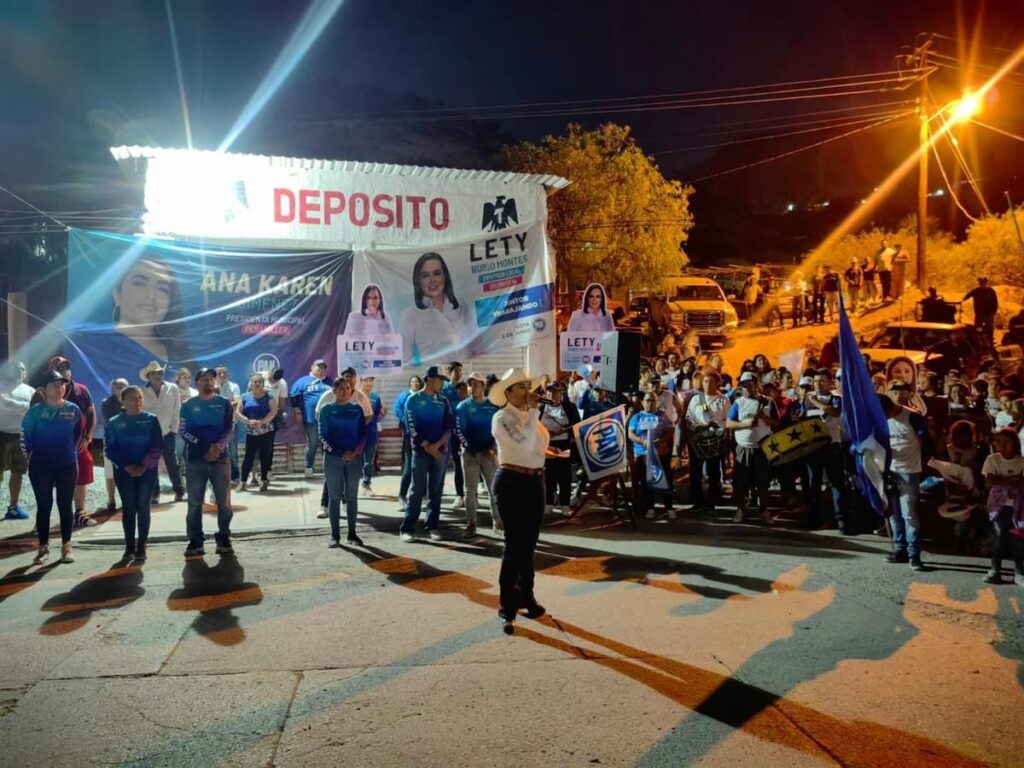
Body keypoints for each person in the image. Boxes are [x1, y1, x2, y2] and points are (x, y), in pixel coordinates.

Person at [489, 367, 550, 634]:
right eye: (521, 387)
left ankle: (527, 596)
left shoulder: (529, 416)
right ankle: (508, 606)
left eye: (528, 386)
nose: (528, 392)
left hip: (534, 480)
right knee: (515, 545)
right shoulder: (501, 417)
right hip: (512, 482)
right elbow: (523, 442)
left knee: (529, 544)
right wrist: (534, 413)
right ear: (508, 392)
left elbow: (538, 445)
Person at [21, 370, 84, 565]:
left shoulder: (73, 410)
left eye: (63, 385)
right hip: (41, 466)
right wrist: (32, 456)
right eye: (55, 385)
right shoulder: (35, 412)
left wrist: (68, 452)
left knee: (65, 505)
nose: (60, 388)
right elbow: (25, 438)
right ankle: (43, 547)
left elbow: (77, 434)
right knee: (44, 505)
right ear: (44, 389)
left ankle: (67, 546)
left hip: (67, 465)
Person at [32, 357, 97, 529]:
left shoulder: (81, 390)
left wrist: (87, 437)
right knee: (47, 480)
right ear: (50, 371)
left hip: (76, 443)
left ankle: (80, 513)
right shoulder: (41, 393)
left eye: (67, 366)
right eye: (60, 367)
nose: (65, 369)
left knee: (82, 469)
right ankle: (43, 518)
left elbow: (91, 413)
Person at [179, 368, 236, 557]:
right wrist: (206, 448)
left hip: (220, 459)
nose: (209, 382)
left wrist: (217, 447)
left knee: (224, 502)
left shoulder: (224, 403)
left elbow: (230, 429)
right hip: (196, 461)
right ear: (197, 383)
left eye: (211, 379)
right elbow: (184, 431)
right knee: (195, 503)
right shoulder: (188, 405)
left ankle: (224, 536)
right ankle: (195, 540)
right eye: (204, 379)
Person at [104, 385, 162, 562]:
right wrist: (125, 466)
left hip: (147, 471)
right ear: (123, 401)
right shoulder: (114, 422)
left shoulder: (151, 420)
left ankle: (141, 545)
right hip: (124, 471)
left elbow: (157, 446)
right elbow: (110, 448)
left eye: (139, 398)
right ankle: (129, 546)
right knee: (129, 507)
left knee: (143, 506)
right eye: (132, 398)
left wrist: (144, 466)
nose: (136, 401)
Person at [400, 366, 454, 542]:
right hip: (420, 451)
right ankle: (407, 528)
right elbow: (411, 427)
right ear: (429, 379)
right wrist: (427, 446)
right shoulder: (413, 400)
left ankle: (432, 526)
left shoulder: (444, 401)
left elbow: (449, 427)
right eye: (440, 380)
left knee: (436, 491)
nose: (442, 384)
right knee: (416, 490)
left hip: (440, 452)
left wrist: (437, 446)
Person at [880, 392, 928, 571]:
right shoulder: (883, 419)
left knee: (909, 514)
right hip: (890, 471)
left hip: (909, 471)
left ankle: (914, 554)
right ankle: (900, 549)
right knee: (894, 513)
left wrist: (921, 463)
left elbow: (925, 440)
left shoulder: (912, 417)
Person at [318, 377, 368, 547]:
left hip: (354, 459)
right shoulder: (326, 409)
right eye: (341, 388)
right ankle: (335, 535)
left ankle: (352, 534)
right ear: (334, 391)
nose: (345, 391)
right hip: (333, 459)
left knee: (352, 496)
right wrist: (339, 452)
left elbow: (363, 434)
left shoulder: (357, 409)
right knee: (334, 496)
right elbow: (323, 435)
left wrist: (356, 451)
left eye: (347, 388)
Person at [400, 252, 474, 363]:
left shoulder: (460, 305)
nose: (432, 281)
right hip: (434, 373)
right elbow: (405, 360)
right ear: (418, 280)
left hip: (466, 371)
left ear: (445, 276)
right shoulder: (409, 316)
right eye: (425, 276)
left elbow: (475, 346)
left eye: (437, 273)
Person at [726, 371, 779, 524]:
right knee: (741, 481)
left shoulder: (768, 402)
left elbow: (776, 423)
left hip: (762, 448)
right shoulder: (738, 403)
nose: (747, 388)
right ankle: (741, 509)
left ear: (757, 385)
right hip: (743, 447)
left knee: (762, 482)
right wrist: (744, 424)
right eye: (744, 385)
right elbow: (729, 423)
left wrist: (764, 418)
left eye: (750, 384)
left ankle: (764, 510)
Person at [803, 369, 849, 532]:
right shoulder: (806, 400)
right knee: (813, 484)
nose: (818, 384)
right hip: (813, 447)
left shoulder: (836, 399)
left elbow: (834, 411)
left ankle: (841, 519)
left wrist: (815, 401)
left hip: (832, 446)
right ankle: (814, 518)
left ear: (830, 382)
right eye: (815, 381)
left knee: (836, 483)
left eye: (822, 381)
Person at [455, 371, 501, 537]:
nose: (472, 388)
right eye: (469, 385)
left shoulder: (493, 406)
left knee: (493, 490)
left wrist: (492, 448)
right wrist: (472, 450)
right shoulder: (462, 407)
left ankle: (497, 523)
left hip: (489, 454)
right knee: (470, 491)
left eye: (476, 384)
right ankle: (471, 524)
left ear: (483, 386)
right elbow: (459, 431)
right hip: (470, 455)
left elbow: (498, 430)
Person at [981, 428, 1024, 586]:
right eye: (998, 441)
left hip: (1019, 506)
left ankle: (1019, 571)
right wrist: (1013, 480)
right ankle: (995, 569)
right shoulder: (992, 460)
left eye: (1006, 441)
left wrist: (1002, 479)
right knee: (1000, 535)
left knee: (1018, 538)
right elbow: (989, 482)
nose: (1002, 445)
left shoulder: (1021, 461)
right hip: (999, 505)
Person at [140, 361, 185, 504]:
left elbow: (177, 411)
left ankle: (179, 491)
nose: (157, 375)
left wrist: (174, 430)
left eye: (160, 373)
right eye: (154, 373)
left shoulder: (173, 388)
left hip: (168, 432)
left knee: (172, 463)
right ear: (148, 376)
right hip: (149, 434)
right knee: (151, 464)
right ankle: (155, 494)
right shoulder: (141, 391)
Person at [685, 371, 729, 514]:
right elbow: (688, 417)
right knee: (695, 472)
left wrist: (717, 426)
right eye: (705, 381)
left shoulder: (724, 400)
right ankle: (697, 501)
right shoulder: (696, 399)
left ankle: (712, 502)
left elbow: (729, 420)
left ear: (717, 383)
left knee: (713, 472)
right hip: (698, 440)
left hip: (715, 441)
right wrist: (696, 428)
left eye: (711, 382)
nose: (707, 384)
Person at [628, 390, 676, 520]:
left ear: (657, 402)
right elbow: (631, 434)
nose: (650, 403)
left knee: (663, 480)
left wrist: (661, 440)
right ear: (643, 402)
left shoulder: (663, 416)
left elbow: (670, 430)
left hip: (659, 454)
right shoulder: (637, 417)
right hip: (642, 454)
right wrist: (641, 441)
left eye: (652, 400)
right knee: (646, 482)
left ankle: (669, 507)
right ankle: (650, 507)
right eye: (647, 400)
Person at [539, 380, 580, 515]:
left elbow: (577, 426)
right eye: (549, 391)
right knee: (548, 475)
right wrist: (546, 433)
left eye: (554, 392)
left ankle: (565, 504)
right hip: (547, 445)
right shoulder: (540, 408)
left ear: (561, 393)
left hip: (564, 445)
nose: (551, 394)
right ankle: (548, 503)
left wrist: (566, 431)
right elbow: (534, 426)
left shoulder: (569, 407)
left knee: (565, 475)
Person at [1, 362, 36, 520]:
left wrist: (11, 403)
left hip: (21, 435)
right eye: (14, 369)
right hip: (1, 433)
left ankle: (13, 508)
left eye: (21, 369)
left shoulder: (30, 391)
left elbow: (33, 408)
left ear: (25, 372)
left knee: (18, 471)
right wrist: (21, 406)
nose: (18, 371)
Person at [236, 373, 279, 492]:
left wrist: (262, 421)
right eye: (254, 381)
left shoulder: (269, 396)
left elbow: (273, 411)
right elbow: (238, 412)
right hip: (251, 431)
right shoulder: (245, 397)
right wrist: (247, 421)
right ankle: (243, 482)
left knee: (264, 456)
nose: (257, 384)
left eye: (259, 381)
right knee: (248, 457)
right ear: (251, 383)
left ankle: (264, 480)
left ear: (263, 383)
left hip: (266, 431)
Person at [289, 359, 331, 478]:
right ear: (312, 367)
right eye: (318, 367)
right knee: (312, 442)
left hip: (328, 419)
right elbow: (293, 396)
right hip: (311, 418)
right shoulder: (302, 381)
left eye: (323, 367)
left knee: (327, 444)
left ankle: (328, 468)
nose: (321, 370)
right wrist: (297, 411)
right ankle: (308, 467)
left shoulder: (330, 382)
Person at [99, 377, 130, 514]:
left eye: (125, 386)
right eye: (119, 386)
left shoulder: (133, 401)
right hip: (112, 442)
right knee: (110, 473)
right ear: (113, 389)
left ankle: (128, 500)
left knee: (128, 472)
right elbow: (107, 423)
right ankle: (111, 501)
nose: (122, 389)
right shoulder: (106, 403)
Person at [394, 375, 423, 511]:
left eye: (417, 382)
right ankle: (402, 496)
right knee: (408, 466)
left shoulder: (423, 396)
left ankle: (423, 496)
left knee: (423, 467)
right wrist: (405, 420)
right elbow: (397, 409)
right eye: (413, 382)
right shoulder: (404, 395)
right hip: (408, 435)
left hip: (423, 436)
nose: (415, 384)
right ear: (409, 384)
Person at [442, 362, 466, 509]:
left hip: (461, 433)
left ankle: (461, 495)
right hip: (446, 432)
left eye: (460, 371)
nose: (459, 373)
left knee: (460, 464)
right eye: (456, 371)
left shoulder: (464, 388)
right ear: (449, 372)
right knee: (440, 464)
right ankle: (434, 492)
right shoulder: (444, 388)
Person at [215, 366, 242, 484]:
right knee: (217, 451)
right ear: (215, 375)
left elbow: (237, 402)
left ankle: (235, 477)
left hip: (231, 423)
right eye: (219, 373)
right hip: (216, 425)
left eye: (224, 373)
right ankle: (219, 477)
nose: (222, 375)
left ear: (228, 374)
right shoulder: (212, 387)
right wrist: (228, 403)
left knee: (233, 452)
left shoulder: (234, 386)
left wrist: (221, 405)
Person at [358, 375, 385, 494]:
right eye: (366, 381)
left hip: (371, 433)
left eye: (371, 381)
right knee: (355, 462)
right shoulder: (355, 395)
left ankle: (366, 484)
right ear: (361, 382)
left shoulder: (375, 397)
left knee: (368, 462)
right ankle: (351, 486)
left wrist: (382, 413)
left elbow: (378, 416)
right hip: (357, 434)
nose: (369, 383)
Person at [174, 368, 197, 474]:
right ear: (178, 379)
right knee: (178, 453)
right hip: (177, 427)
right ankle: (177, 478)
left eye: (189, 378)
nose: (187, 380)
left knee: (190, 454)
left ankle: (190, 476)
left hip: (191, 428)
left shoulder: (195, 392)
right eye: (184, 378)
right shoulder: (173, 391)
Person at [963, 276, 998, 345]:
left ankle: (990, 340)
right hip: (979, 314)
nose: (983, 284)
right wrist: (963, 299)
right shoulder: (976, 291)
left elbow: (995, 302)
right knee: (978, 328)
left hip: (989, 314)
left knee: (989, 328)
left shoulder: (991, 291)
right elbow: (967, 295)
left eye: (984, 282)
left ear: (987, 283)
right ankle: (978, 341)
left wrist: (994, 311)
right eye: (981, 283)